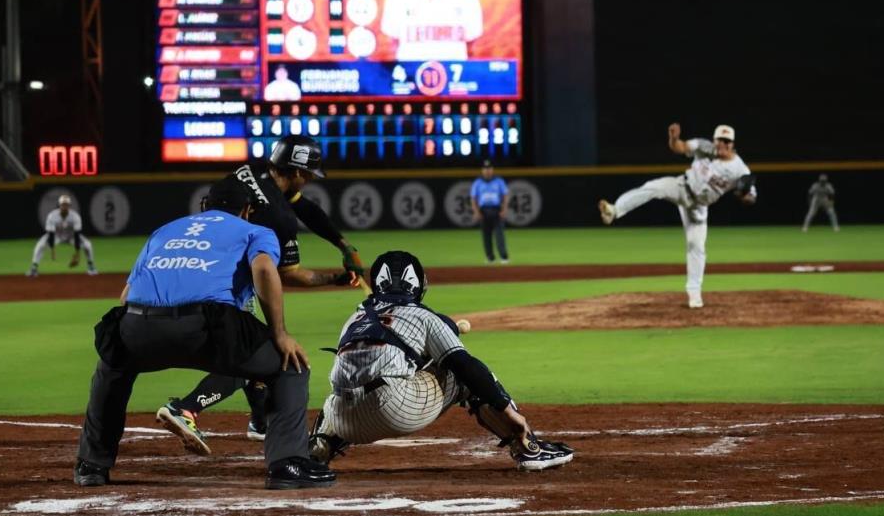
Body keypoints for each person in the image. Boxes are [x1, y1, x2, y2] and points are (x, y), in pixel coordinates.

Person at [73, 177, 335, 490]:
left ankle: (91, 465)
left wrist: (140, 338)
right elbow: (265, 270)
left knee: (111, 366)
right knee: (291, 364)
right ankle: (287, 464)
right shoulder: (255, 230)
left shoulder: (164, 231)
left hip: (137, 324)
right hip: (206, 326)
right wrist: (280, 333)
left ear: (203, 207)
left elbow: (127, 295)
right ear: (247, 210)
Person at [156, 136, 366, 453]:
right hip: (222, 282)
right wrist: (336, 278)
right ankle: (185, 408)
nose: (308, 181)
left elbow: (304, 207)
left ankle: (261, 421)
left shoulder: (250, 173)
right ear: (296, 172)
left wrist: (342, 243)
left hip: (189, 262)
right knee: (250, 353)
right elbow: (288, 275)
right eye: (308, 174)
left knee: (254, 341)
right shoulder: (278, 216)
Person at [308, 250, 574, 471]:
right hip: (394, 410)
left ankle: (318, 449)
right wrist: (508, 411)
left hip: (342, 418)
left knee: (345, 387)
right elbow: (466, 367)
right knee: (465, 374)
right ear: (418, 284)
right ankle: (527, 445)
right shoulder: (423, 316)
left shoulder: (354, 318)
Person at [598, 123, 757, 309]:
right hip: (682, 187)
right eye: (720, 140)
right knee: (654, 187)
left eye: (727, 141)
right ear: (714, 140)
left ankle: (694, 295)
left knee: (696, 246)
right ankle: (614, 210)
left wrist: (743, 194)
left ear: (733, 144)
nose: (723, 144)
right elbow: (680, 147)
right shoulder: (704, 146)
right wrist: (673, 138)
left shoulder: (741, 170)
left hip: (698, 207)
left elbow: (751, 198)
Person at [27, 194, 97, 276]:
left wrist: (77, 254)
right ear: (59, 205)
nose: (65, 206)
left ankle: (91, 267)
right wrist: (52, 249)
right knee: (40, 245)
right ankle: (34, 268)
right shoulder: (52, 216)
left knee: (88, 245)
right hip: (56, 236)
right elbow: (51, 234)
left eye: (66, 204)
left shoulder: (75, 216)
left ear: (69, 206)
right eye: (63, 204)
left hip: (72, 236)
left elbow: (77, 235)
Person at [470, 159, 509, 264]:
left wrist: (504, 209)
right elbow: (473, 199)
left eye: (489, 168)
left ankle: (504, 257)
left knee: (499, 235)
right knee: (486, 236)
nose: (487, 170)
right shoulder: (477, 183)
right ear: (482, 170)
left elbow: (505, 195)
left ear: (492, 169)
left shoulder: (499, 181)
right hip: (484, 211)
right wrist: (476, 212)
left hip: (496, 210)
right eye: (485, 168)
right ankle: (490, 257)